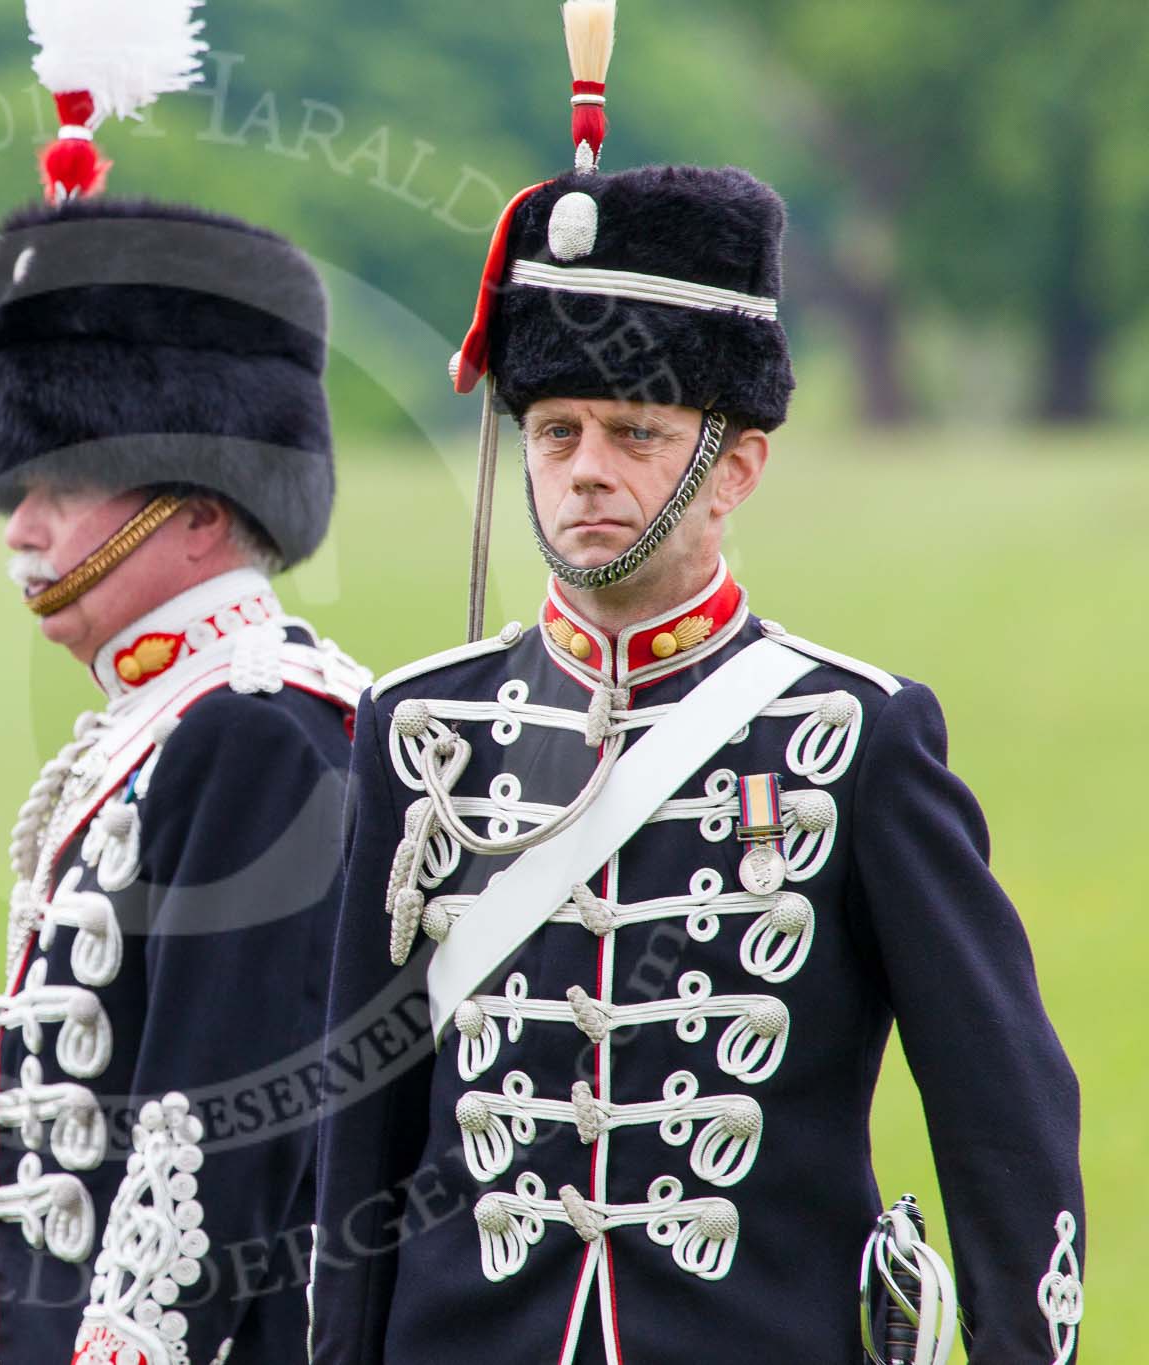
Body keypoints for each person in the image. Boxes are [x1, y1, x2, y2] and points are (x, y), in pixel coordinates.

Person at [311, 3, 1086, 1362]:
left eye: (634, 431)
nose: (586, 470)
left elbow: (1001, 1111)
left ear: (736, 464)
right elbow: (353, 1146)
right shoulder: (420, 729)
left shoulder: (852, 734)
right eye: (554, 431)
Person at [0, 7, 369, 1362]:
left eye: (64, 481)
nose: (22, 527)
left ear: (203, 504)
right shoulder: (163, 723)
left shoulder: (259, 730)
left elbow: (211, 1140)